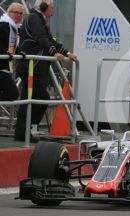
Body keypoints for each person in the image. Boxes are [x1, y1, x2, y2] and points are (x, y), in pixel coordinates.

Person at [14, 0, 77, 142]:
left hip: (36, 67)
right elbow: (41, 38)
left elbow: (50, 40)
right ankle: (23, 131)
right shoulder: (34, 18)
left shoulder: (40, 19)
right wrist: (54, 52)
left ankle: (22, 131)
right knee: (37, 98)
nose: (53, 10)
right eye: (52, 7)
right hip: (31, 67)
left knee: (32, 99)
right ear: (43, 7)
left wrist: (67, 53)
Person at [0, 3, 23, 101]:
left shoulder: (12, 26)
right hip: (1, 67)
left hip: (4, 66)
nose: (19, 15)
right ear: (8, 12)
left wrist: (20, 52)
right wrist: (5, 53)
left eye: (21, 13)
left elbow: (11, 46)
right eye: (16, 12)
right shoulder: (4, 24)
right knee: (13, 93)